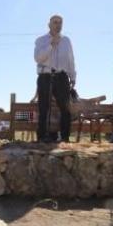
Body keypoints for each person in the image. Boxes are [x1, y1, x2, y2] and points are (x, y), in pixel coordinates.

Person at [34, 14, 76, 142]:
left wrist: (72, 76)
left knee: (65, 108)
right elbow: (38, 58)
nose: (58, 25)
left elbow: (70, 59)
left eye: (60, 23)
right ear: (49, 24)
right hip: (45, 76)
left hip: (61, 76)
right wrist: (51, 44)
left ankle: (65, 138)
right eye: (55, 22)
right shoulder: (41, 40)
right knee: (43, 108)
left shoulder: (67, 41)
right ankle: (42, 137)